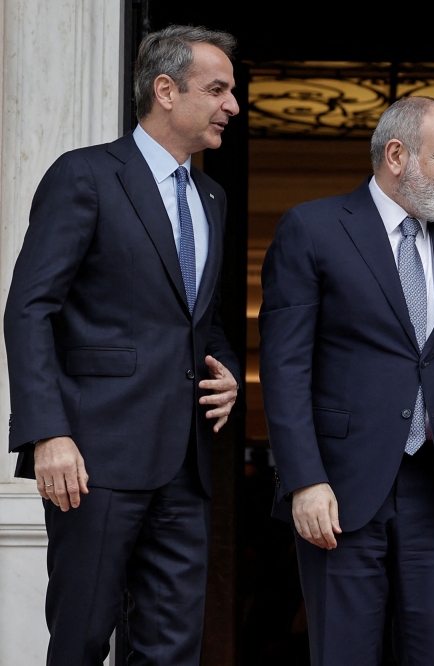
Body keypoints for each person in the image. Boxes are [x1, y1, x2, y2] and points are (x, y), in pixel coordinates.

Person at [258, 96, 434, 665]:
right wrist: (303, 478)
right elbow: (285, 369)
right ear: (397, 155)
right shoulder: (312, 228)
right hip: (338, 490)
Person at [4, 25, 241, 665]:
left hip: (185, 467)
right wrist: (47, 432)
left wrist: (230, 372)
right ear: (166, 90)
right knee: (80, 640)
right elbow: (29, 309)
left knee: (171, 650)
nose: (232, 106)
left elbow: (202, 321)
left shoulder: (213, 197)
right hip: (93, 459)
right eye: (217, 90)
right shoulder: (85, 175)